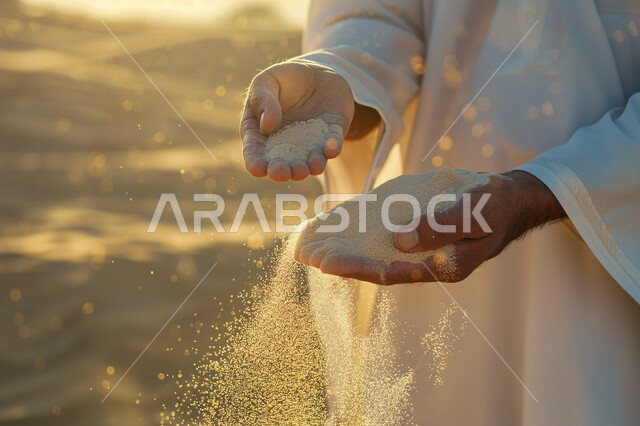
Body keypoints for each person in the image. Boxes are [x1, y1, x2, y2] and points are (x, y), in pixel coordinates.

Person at [240, 1, 640, 424]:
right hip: (427, 235)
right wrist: (344, 78)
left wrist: (547, 189)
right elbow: (374, 13)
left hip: (608, 248)